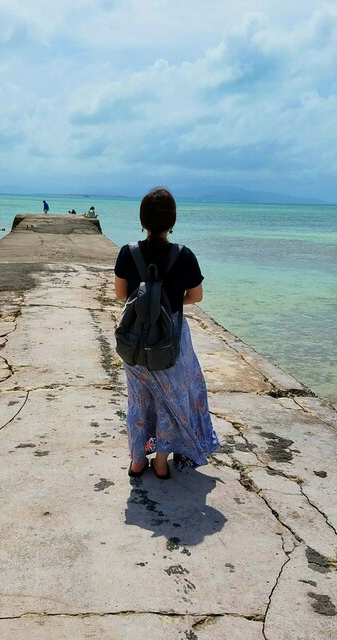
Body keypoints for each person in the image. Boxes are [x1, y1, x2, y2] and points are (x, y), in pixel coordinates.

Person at [114, 187, 219, 479]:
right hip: (171, 339)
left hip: (135, 338)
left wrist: (147, 303)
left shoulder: (128, 253)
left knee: (138, 399)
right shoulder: (184, 256)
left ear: (142, 220)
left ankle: (137, 460)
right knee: (169, 402)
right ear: (172, 221)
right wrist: (169, 303)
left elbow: (121, 294)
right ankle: (161, 463)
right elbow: (196, 296)